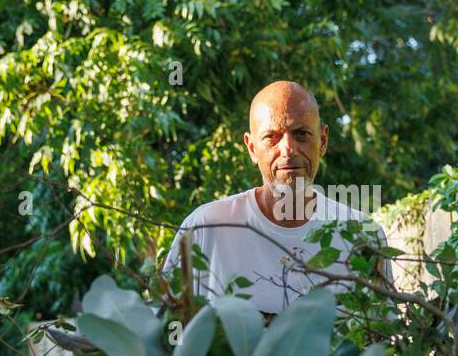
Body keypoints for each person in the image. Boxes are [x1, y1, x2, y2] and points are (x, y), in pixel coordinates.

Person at [163, 81, 391, 315]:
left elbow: (384, 341)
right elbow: (169, 330)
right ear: (252, 148)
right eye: (272, 137)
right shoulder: (206, 227)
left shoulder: (364, 235)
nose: (288, 150)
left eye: (301, 134)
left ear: (322, 141)